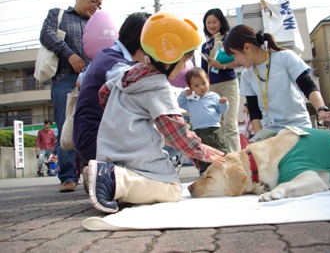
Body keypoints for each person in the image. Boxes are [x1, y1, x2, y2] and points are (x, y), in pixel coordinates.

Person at [85, 11, 226, 214]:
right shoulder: (158, 86)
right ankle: (116, 181)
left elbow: (103, 93)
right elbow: (174, 130)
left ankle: (103, 178)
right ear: (169, 55)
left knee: (145, 177)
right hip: (134, 154)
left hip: (109, 152)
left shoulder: (127, 73)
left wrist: (120, 119)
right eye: (185, 59)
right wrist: (201, 151)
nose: (186, 66)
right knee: (172, 189)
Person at [223, 25, 330, 136]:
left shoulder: (285, 57)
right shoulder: (246, 75)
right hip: (272, 135)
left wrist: (321, 110)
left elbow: (307, 86)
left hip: (299, 129)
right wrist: (260, 140)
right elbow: (254, 111)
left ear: (247, 47)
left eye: (234, 55)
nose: (236, 62)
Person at [38, 0, 106, 192]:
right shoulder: (58, 14)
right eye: (93, 0)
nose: (96, 6)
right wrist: (69, 54)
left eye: (100, 4)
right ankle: (67, 176)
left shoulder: (98, 23)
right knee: (67, 126)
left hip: (92, 80)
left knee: (92, 126)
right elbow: (46, 34)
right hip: (65, 78)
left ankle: (90, 174)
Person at [73, 12, 151, 165]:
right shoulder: (118, 67)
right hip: (98, 140)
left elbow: (79, 80)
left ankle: (101, 172)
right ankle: (105, 175)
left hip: (85, 135)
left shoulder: (104, 54)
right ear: (142, 42)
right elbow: (141, 96)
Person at [201, 8, 240, 152]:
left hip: (228, 84)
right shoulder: (204, 46)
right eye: (208, 22)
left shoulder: (228, 40)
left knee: (230, 124)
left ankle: (237, 159)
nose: (211, 25)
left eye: (214, 22)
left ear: (221, 23)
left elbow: (238, 61)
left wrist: (221, 65)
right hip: (212, 87)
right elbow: (203, 71)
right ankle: (225, 159)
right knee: (218, 125)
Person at [177, 67, 229, 175]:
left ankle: (225, 168)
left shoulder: (214, 96)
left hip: (214, 129)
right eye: (196, 85)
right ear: (190, 87)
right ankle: (204, 171)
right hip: (198, 131)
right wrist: (185, 93)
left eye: (204, 83)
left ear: (208, 81)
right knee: (202, 152)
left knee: (220, 148)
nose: (201, 87)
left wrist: (224, 104)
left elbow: (221, 110)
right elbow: (179, 103)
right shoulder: (190, 100)